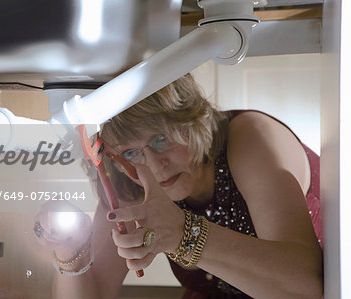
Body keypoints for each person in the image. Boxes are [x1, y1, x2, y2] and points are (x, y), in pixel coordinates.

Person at [34, 74, 323, 299]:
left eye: (161, 140)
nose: (156, 165)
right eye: (132, 153)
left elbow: (307, 287)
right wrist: (69, 249)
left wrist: (183, 233)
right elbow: (94, 292)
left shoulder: (250, 139)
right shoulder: (128, 177)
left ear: (191, 121)